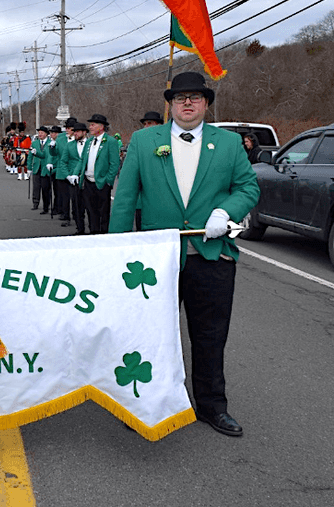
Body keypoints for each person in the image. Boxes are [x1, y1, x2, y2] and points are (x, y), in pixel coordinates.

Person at [109, 71, 260, 437]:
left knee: (210, 335)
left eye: (194, 97)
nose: (187, 103)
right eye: (180, 98)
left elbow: (248, 186)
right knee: (153, 335)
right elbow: (125, 198)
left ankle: (212, 407)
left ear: (206, 103)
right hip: (154, 262)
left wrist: (226, 212)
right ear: (170, 104)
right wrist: (116, 249)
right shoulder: (145, 141)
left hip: (210, 257)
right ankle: (148, 405)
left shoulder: (227, 144)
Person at [78, 114, 120, 234]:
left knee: (103, 212)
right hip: (88, 181)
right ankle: (93, 233)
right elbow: (83, 160)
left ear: (101, 126)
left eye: (93, 125)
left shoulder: (110, 141)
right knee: (91, 211)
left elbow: (114, 163)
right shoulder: (89, 141)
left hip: (101, 182)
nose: (90, 127)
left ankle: (103, 234)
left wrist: (108, 181)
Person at [134, 111, 165, 230]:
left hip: (161, 197)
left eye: (150, 123)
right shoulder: (138, 142)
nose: (146, 126)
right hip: (142, 197)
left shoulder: (166, 142)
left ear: (158, 125)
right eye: (145, 124)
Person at [61, 122, 88, 233]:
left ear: (84, 132)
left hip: (88, 179)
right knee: (77, 206)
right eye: (74, 131)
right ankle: (80, 229)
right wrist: (68, 176)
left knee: (91, 206)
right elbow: (63, 162)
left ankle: (94, 230)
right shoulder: (69, 145)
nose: (75, 133)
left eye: (77, 131)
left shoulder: (91, 144)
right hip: (73, 180)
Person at [28, 126, 53, 213]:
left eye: (42, 133)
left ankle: (46, 205)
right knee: (36, 187)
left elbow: (46, 155)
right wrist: (29, 168)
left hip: (45, 168)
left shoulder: (50, 143)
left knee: (46, 188)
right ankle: (35, 203)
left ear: (46, 134)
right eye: (39, 133)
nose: (40, 134)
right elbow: (30, 155)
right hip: (36, 167)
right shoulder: (34, 143)